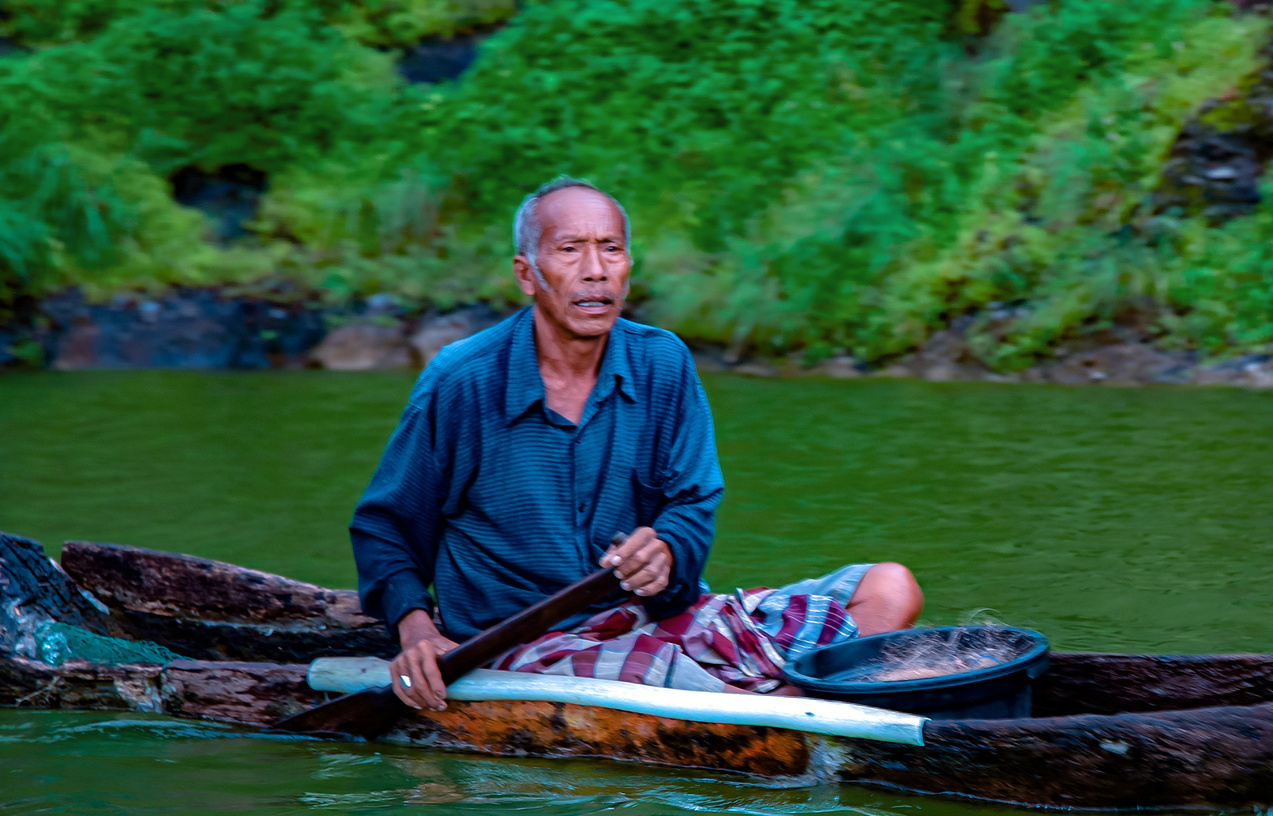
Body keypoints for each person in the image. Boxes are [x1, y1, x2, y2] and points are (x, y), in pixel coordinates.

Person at [351, 177, 923, 711]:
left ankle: (800, 705)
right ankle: (800, 701)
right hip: (525, 652)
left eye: (611, 249)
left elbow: (693, 506)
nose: (595, 271)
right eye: (570, 250)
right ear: (527, 274)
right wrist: (417, 629)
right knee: (697, 688)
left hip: (657, 619)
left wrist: (669, 550)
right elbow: (386, 528)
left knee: (889, 587)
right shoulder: (463, 380)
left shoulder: (662, 363)